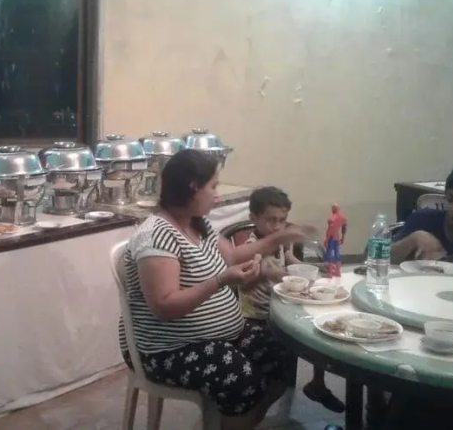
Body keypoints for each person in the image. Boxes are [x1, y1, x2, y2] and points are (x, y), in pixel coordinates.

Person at [117, 149, 312, 430]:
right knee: (241, 379)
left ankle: (231, 423)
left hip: (218, 336)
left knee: (282, 350)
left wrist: (280, 238)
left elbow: (232, 256)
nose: (217, 195)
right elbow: (164, 306)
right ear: (192, 188)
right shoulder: (156, 236)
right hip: (165, 350)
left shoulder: (198, 223)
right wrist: (220, 281)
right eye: (213, 187)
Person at [239, 187, 346, 413]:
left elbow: (290, 259)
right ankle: (268, 392)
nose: (278, 227)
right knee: (296, 336)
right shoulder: (251, 248)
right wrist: (271, 274)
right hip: (257, 315)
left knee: (317, 325)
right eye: (271, 220)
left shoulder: (279, 242)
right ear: (253, 218)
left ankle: (317, 383)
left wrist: (313, 268)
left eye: (282, 220)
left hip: (282, 304)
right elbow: (252, 278)